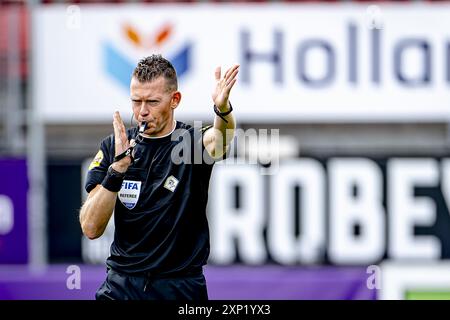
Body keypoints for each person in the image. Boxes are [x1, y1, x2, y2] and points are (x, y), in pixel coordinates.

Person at [79, 54, 238, 300]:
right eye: (136, 101)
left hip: (179, 287)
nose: (142, 112)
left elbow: (221, 138)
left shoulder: (190, 143)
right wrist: (117, 170)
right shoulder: (114, 147)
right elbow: (90, 227)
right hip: (122, 286)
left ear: (175, 100)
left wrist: (222, 109)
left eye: (152, 102)